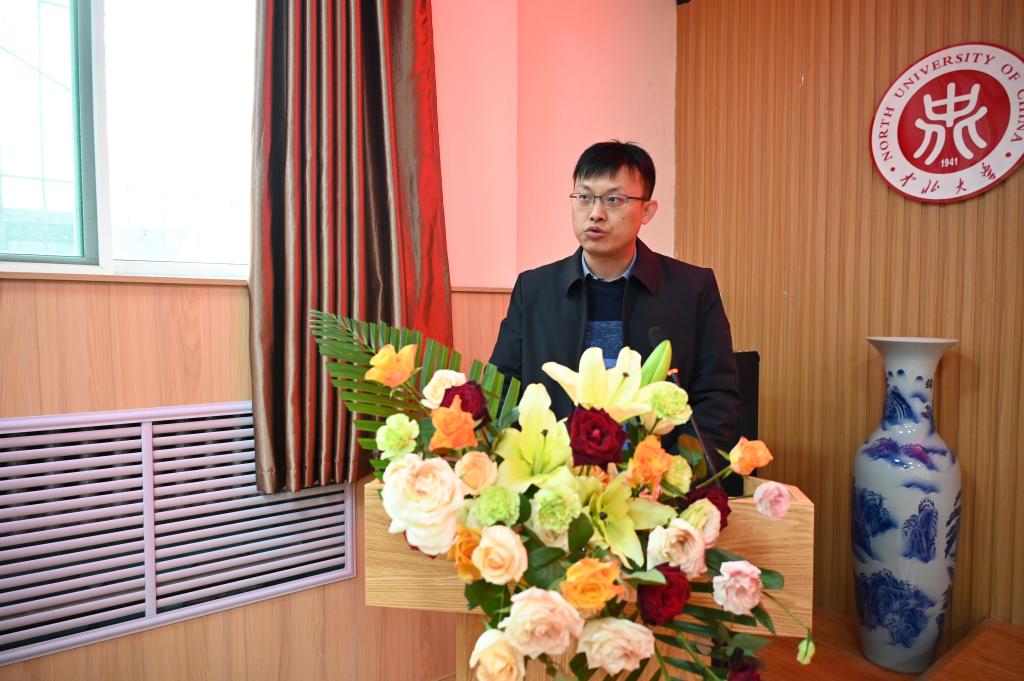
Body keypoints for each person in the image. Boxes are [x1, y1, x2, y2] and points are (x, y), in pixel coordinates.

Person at [488, 140, 742, 465]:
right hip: (556, 476)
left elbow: (717, 399)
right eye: (584, 197)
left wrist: (671, 473)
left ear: (646, 211)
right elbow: (502, 390)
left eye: (614, 199)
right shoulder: (534, 290)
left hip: (655, 478)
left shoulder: (692, 289)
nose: (596, 213)